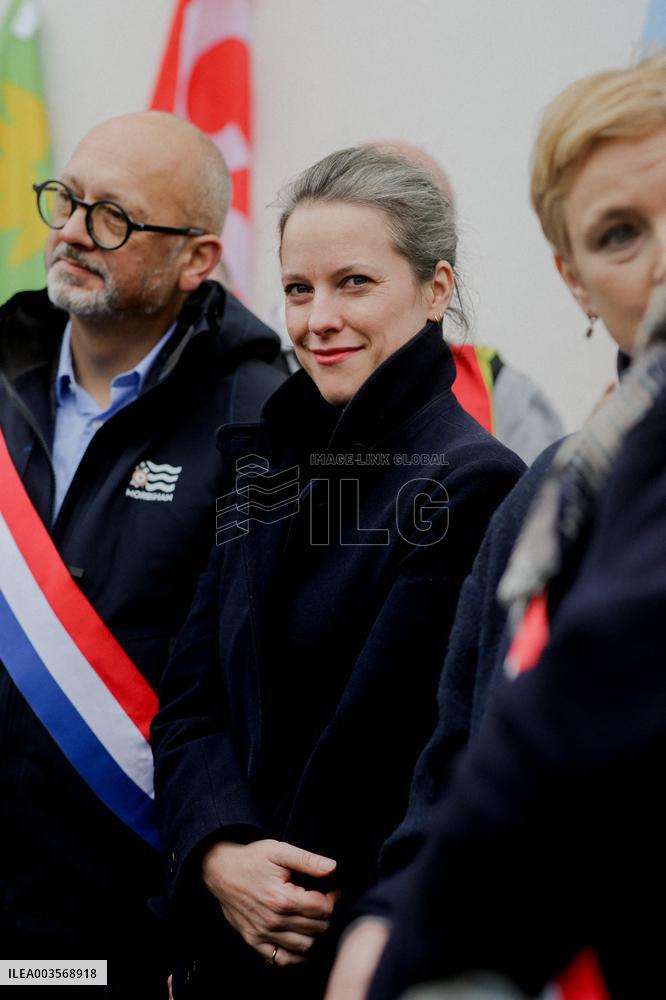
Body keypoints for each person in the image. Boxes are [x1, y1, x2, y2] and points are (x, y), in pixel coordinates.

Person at [325, 50, 666, 1000]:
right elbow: (460, 753)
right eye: (621, 234)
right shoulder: (552, 495)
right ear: (575, 281)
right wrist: (389, 915)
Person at [151, 145, 525, 998]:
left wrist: (271, 892)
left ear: (435, 290)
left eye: (354, 282)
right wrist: (217, 850)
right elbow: (190, 695)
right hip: (226, 927)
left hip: (337, 950)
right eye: (297, 289)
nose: (319, 318)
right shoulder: (264, 464)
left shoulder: (471, 481)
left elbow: (379, 752)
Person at [0, 110, 285, 995]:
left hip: (129, 917)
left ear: (196, 259)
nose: (74, 231)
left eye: (114, 217)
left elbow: (257, 687)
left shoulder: (264, 420)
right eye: (67, 199)